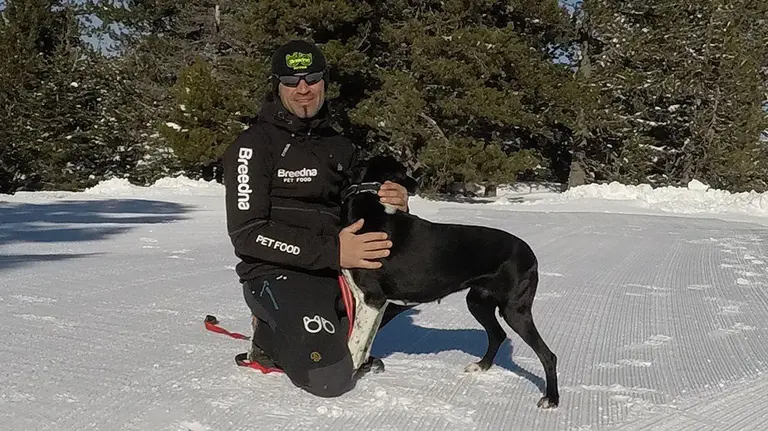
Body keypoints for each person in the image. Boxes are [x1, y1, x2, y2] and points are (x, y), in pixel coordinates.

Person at [222, 40, 412, 398]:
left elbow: (362, 203)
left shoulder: (340, 146)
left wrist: (394, 200)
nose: (303, 89)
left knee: (418, 280)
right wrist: (334, 252)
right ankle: (269, 333)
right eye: (292, 81)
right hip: (278, 269)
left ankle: (331, 319)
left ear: (325, 81)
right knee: (330, 377)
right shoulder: (253, 145)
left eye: (312, 78)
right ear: (277, 85)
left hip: (334, 266)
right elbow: (247, 234)